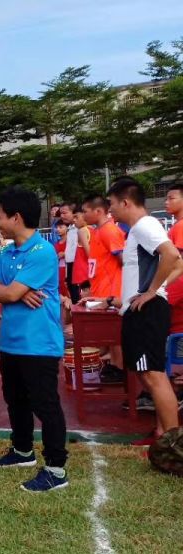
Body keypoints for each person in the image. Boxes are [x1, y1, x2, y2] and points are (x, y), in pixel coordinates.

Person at [0, 186, 69, 493]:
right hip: (11, 343)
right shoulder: (6, 253)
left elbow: (5, 292)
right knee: (15, 399)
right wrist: (10, 292)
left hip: (39, 344)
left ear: (15, 217)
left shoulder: (42, 251)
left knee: (46, 406)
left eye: (0, 214)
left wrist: (11, 292)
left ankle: (56, 469)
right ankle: (22, 452)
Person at [106, 177, 183, 446]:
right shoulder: (139, 230)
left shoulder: (144, 226)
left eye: (112, 204)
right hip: (142, 308)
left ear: (125, 202)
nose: (110, 210)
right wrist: (155, 288)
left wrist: (152, 291)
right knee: (148, 373)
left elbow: (172, 256)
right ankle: (163, 434)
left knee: (153, 374)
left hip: (146, 311)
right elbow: (178, 264)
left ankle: (172, 444)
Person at [81, 194, 127, 382]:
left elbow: (123, 260)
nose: (83, 215)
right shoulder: (97, 231)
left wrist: (114, 292)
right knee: (110, 336)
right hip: (101, 292)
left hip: (111, 293)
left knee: (115, 336)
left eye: (85, 211)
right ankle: (114, 367)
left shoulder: (109, 231)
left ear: (98, 211)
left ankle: (120, 369)